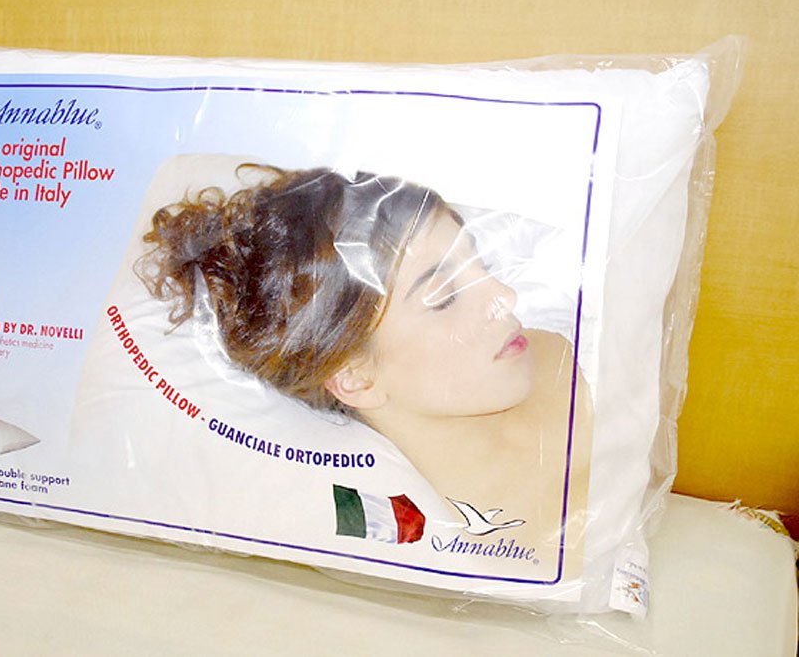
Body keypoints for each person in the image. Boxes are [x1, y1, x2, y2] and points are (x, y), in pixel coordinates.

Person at [137, 164, 590, 541]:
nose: (505, 296)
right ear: (355, 377)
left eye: (481, 265)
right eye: (445, 297)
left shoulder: (555, 358)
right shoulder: (443, 539)